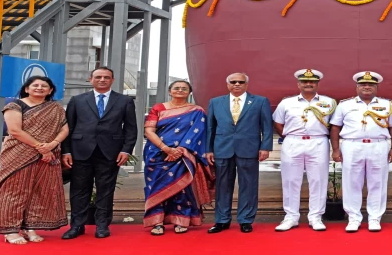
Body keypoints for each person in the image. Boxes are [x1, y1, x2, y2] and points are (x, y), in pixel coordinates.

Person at [61, 67, 138, 240]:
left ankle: (102, 225)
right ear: (91, 79)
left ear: (112, 80)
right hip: (80, 151)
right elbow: (68, 128)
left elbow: (131, 128)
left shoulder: (124, 101)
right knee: (79, 190)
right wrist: (66, 151)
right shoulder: (77, 100)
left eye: (106, 77)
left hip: (110, 152)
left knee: (106, 190)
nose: (102, 80)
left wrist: (126, 150)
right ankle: (77, 225)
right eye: (98, 77)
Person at [0, 76, 69, 245]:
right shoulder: (15, 105)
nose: (39, 88)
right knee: (14, 191)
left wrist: (52, 144)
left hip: (47, 155)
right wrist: (41, 148)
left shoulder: (55, 108)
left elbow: (64, 129)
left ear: (50, 90)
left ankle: (29, 227)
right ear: (27, 89)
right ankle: (10, 229)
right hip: (19, 153)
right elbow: (15, 130)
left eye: (44, 86)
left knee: (39, 192)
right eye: (35, 85)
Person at [330, 71, 392, 233]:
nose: (367, 87)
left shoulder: (387, 105)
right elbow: (335, 127)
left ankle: (375, 218)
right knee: (351, 183)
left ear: (377, 88)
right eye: (363, 84)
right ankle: (353, 218)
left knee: (378, 182)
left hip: (378, 146)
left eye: (371, 85)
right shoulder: (345, 105)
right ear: (357, 87)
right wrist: (335, 149)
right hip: (352, 145)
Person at [142, 80, 215, 235]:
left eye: (184, 88)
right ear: (170, 91)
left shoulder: (197, 111)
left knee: (182, 188)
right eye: (176, 88)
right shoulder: (158, 108)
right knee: (155, 187)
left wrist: (180, 150)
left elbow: (197, 134)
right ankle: (157, 222)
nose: (180, 90)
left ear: (189, 92)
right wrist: (166, 149)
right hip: (157, 154)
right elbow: (149, 131)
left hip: (183, 155)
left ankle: (180, 220)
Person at [204, 72, 273, 234]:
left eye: (240, 82)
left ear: (246, 84)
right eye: (233, 81)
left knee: (248, 185)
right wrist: (209, 149)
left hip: (249, 149)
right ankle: (222, 220)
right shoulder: (215, 102)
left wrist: (265, 147)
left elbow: (267, 126)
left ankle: (246, 220)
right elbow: (210, 128)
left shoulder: (260, 101)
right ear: (227, 84)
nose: (237, 84)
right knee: (222, 186)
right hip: (222, 149)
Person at [273, 69, 336, 232]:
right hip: (293, 142)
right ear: (298, 84)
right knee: (290, 180)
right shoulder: (287, 103)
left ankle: (316, 217)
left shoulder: (329, 102)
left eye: (312, 82)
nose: (308, 84)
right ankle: (291, 217)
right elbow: (278, 123)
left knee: (318, 180)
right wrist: (290, 136)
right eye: (305, 82)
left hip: (318, 141)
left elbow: (335, 125)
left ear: (317, 84)